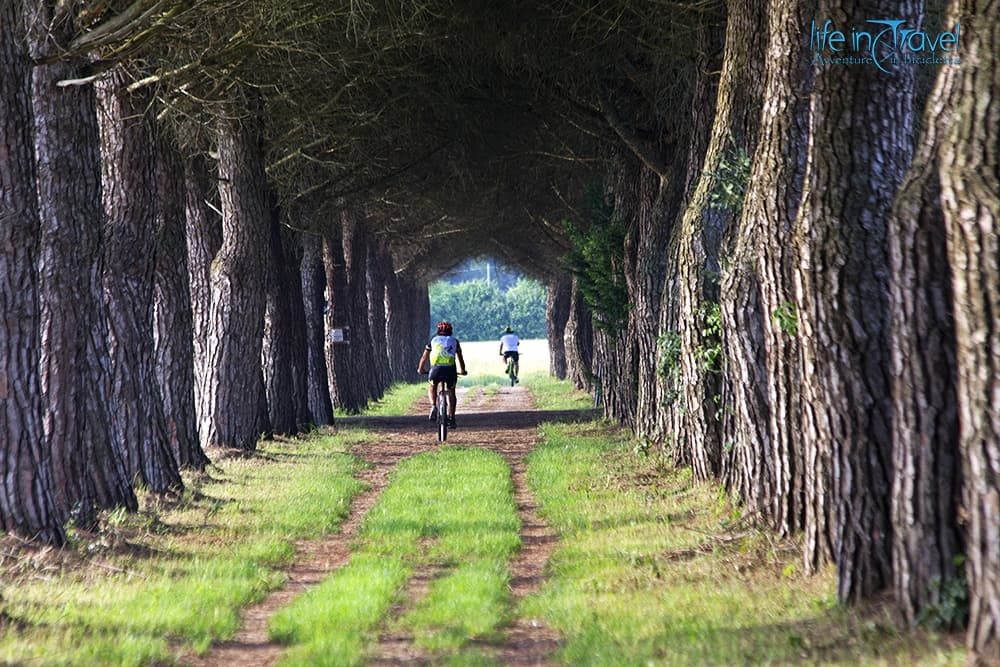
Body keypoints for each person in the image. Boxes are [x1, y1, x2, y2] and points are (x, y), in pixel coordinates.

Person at [417, 320, 468, 426]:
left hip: (436, 369)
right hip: (450, 370)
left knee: (432, 386)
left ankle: (433, 406)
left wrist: (420, 369)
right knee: (452, 393)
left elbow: (424, 357)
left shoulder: (433, 340)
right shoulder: (455, 341)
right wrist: (463, 370)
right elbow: (460, 359)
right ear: (451, 331)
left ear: (438, 331)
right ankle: (452, 418)